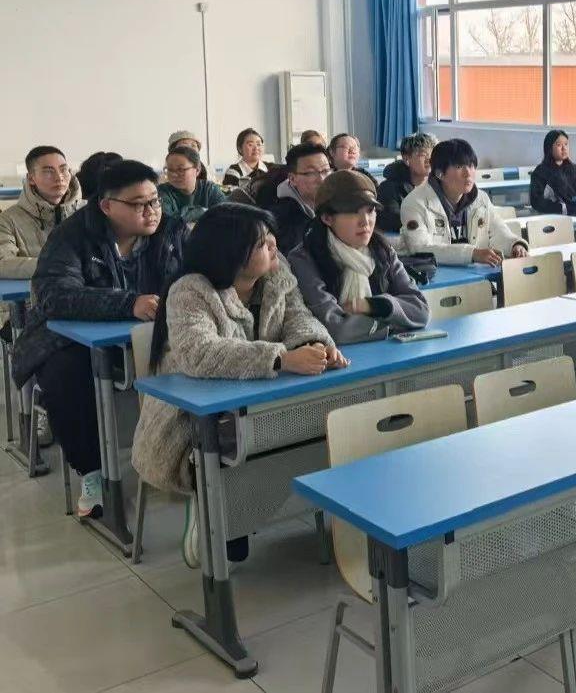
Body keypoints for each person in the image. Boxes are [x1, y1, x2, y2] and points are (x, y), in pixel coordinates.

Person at [131, 203, 344, 568]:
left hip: (258, 406)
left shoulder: (277, 275)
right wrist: (282, 358)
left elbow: (300, 317)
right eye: (261, 243)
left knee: (301, 438)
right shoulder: (190, 290)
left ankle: (232, 513)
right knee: (244, 461)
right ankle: (207, 502)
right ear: (230, 253)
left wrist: (315, 344)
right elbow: (200, 354)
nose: (273, 246)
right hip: (192, 423)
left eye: (271, 237)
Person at [13, 160, 185, 517]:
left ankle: (181, 460)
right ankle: (91, 472)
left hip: (148, 336)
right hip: (70, 341)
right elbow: (54, 295)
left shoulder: (171, 230)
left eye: (155, 200)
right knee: (65, 372)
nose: (152, 211)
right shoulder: (73, 235)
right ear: (107, 205)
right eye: (138, 204)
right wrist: (128, 303)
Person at [289, 171, 428, 343]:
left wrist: (373, 306)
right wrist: (395, 322)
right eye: (352, 212)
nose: (365, 221)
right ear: (327, 218)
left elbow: (421, 310)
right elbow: (336, 329)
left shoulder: (382, 250)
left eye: (370, 210)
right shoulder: (304, 258)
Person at [401, 138, 529, 266]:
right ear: (440, 173)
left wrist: (515, 245)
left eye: (471, 165)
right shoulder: (415, 203)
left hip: (474, 272)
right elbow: (420, 248)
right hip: (436, 273)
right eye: (459, 167)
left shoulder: (481, 199)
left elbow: (498, 231)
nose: (468, 173)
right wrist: (472, 254)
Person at [0, 146, 82, 281]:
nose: (59, 177)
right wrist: (57, 266)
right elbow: (3, 263)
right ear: (31, 178)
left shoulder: (89, 212)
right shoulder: (8, 220)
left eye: (63, 169)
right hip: (34, 294)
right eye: (48, 171)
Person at [272, 143, 332, 255]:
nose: (322, 179)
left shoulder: (340, 204)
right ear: (292, 179)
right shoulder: (280, 220)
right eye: (311, 173)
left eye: (325, 171)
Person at [377, 132, 435, 233]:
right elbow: (392, 220)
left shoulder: (438, 185)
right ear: (406, 159)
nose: (429, 159)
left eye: (432, 154)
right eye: (423, 155)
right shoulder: (389, 188)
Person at [530, 129, 576, 217]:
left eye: (566, 144)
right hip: (558, 218)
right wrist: (562, 208)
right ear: (549, 148)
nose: (564, 148)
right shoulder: (541, 173)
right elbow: (537, 201)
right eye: (559, 145)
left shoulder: (575, 169)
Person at [158, 146, 227, 223]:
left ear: (197, 169)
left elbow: (226, 214)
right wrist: (203, 211)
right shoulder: (162, 192)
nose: (174, 174)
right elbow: (167, 221)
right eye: (170, 169)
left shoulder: (209, 189)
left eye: (180, 169)